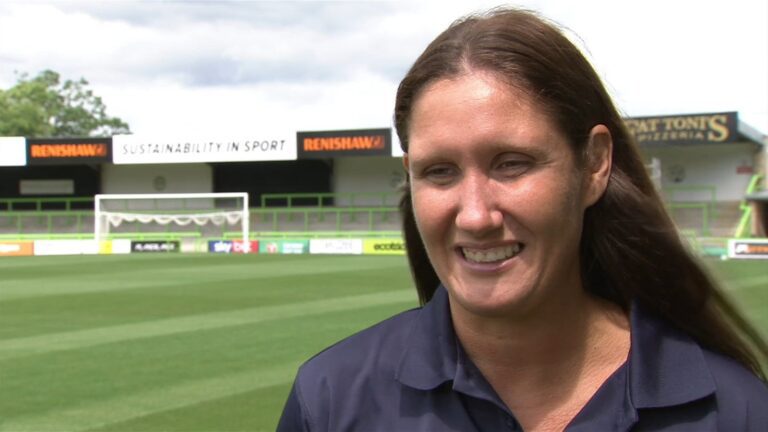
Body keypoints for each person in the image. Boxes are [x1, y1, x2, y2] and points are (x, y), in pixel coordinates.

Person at [277, 7, 768, 431]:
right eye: (439, 172)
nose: (475, 215)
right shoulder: (330, 400)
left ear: (595, 163)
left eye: (512, 163)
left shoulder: (735, 412)